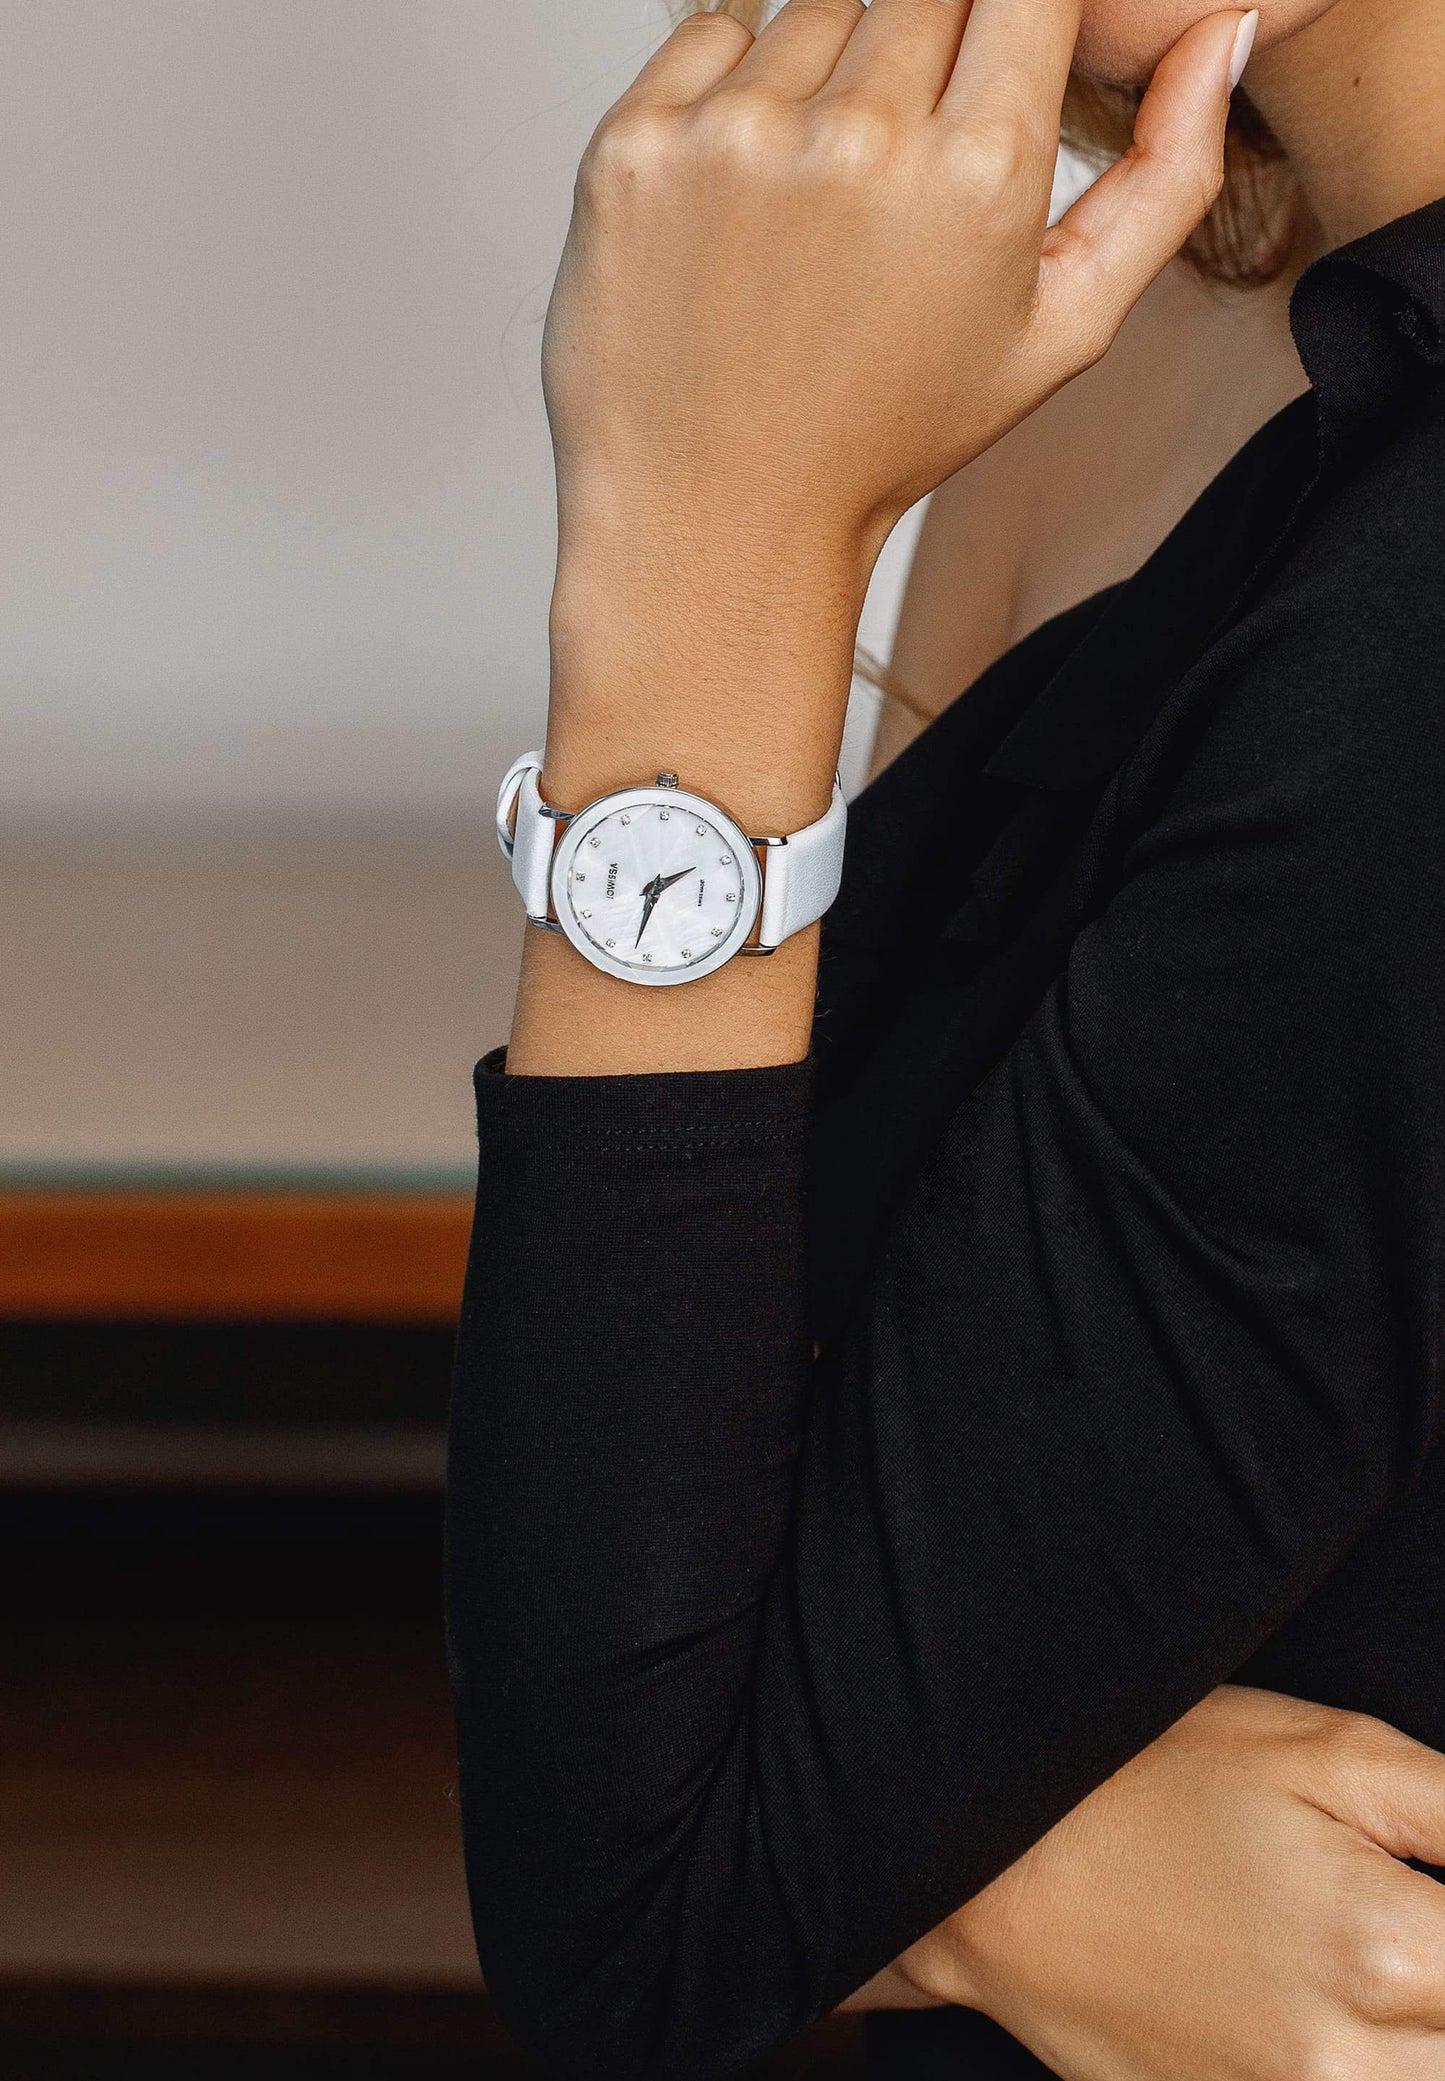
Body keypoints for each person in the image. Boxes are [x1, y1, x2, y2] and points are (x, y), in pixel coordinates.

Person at [445, 0, 1445, 2073]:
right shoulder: (1143, 353)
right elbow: (681, 1540)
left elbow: (628, 1906)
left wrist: (700, 552)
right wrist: (963, 1867)